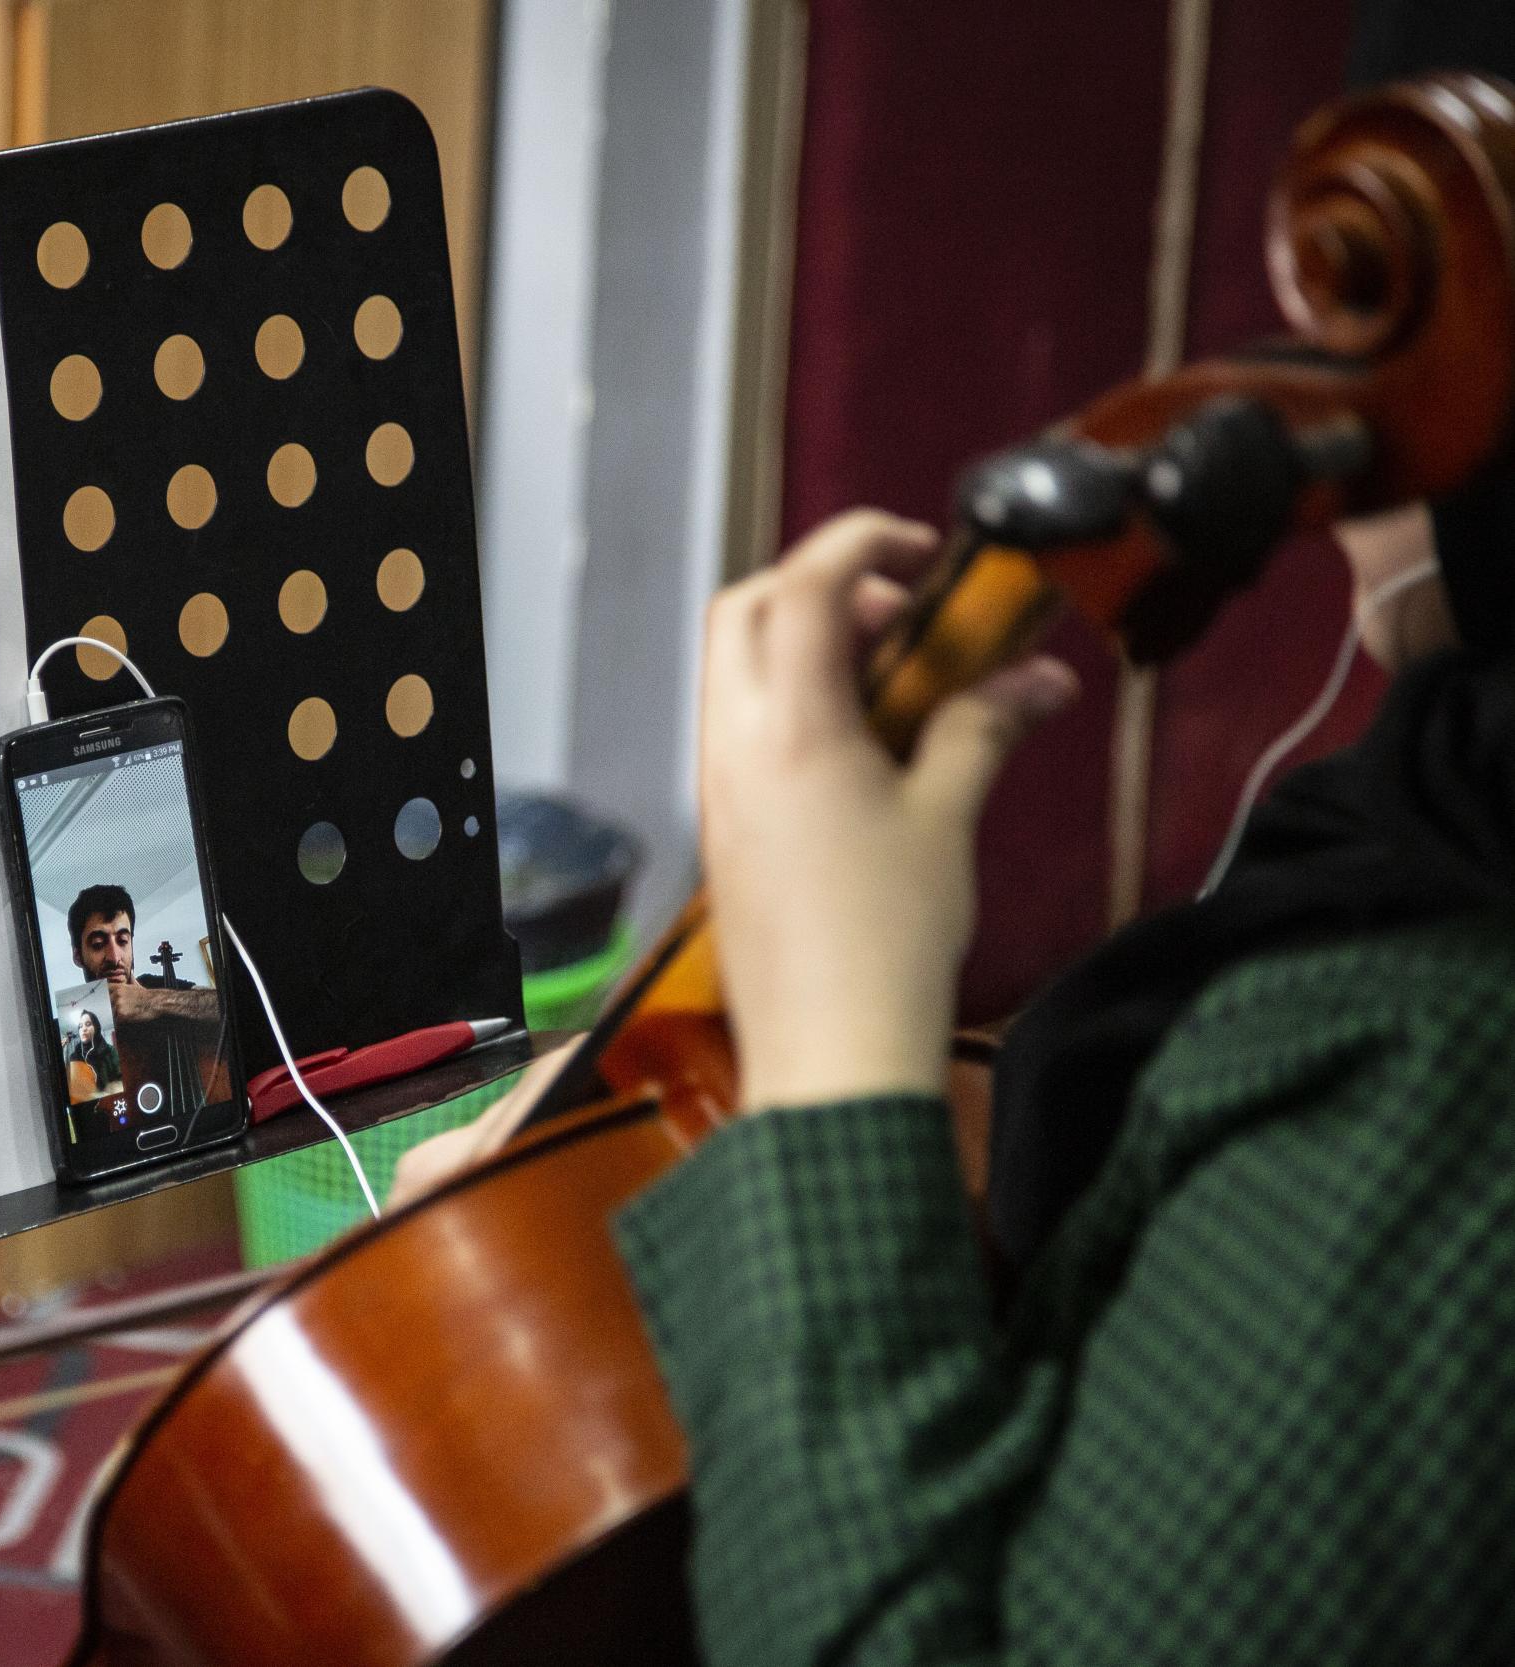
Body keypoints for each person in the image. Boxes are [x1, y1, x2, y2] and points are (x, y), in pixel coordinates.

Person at [602, 490, 1515, 1664]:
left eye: (1387, 301)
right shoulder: (1426, 822)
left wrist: (835, 1036)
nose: (1330, 348)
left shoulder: (1434, 1094)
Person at [68, 883, 139, 986]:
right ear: (78, 956)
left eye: (123, 941)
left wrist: (146, 998)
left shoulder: (157, 989)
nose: (114, 958)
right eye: (98, 944)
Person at [64, 1006, 122, 1095]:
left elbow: (121, 1077)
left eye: (88, 1024)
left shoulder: (110, 1051)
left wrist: (116, 1086)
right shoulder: (74, 1057)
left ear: (96, 1027)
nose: (83, 1029)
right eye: (80, 1026)